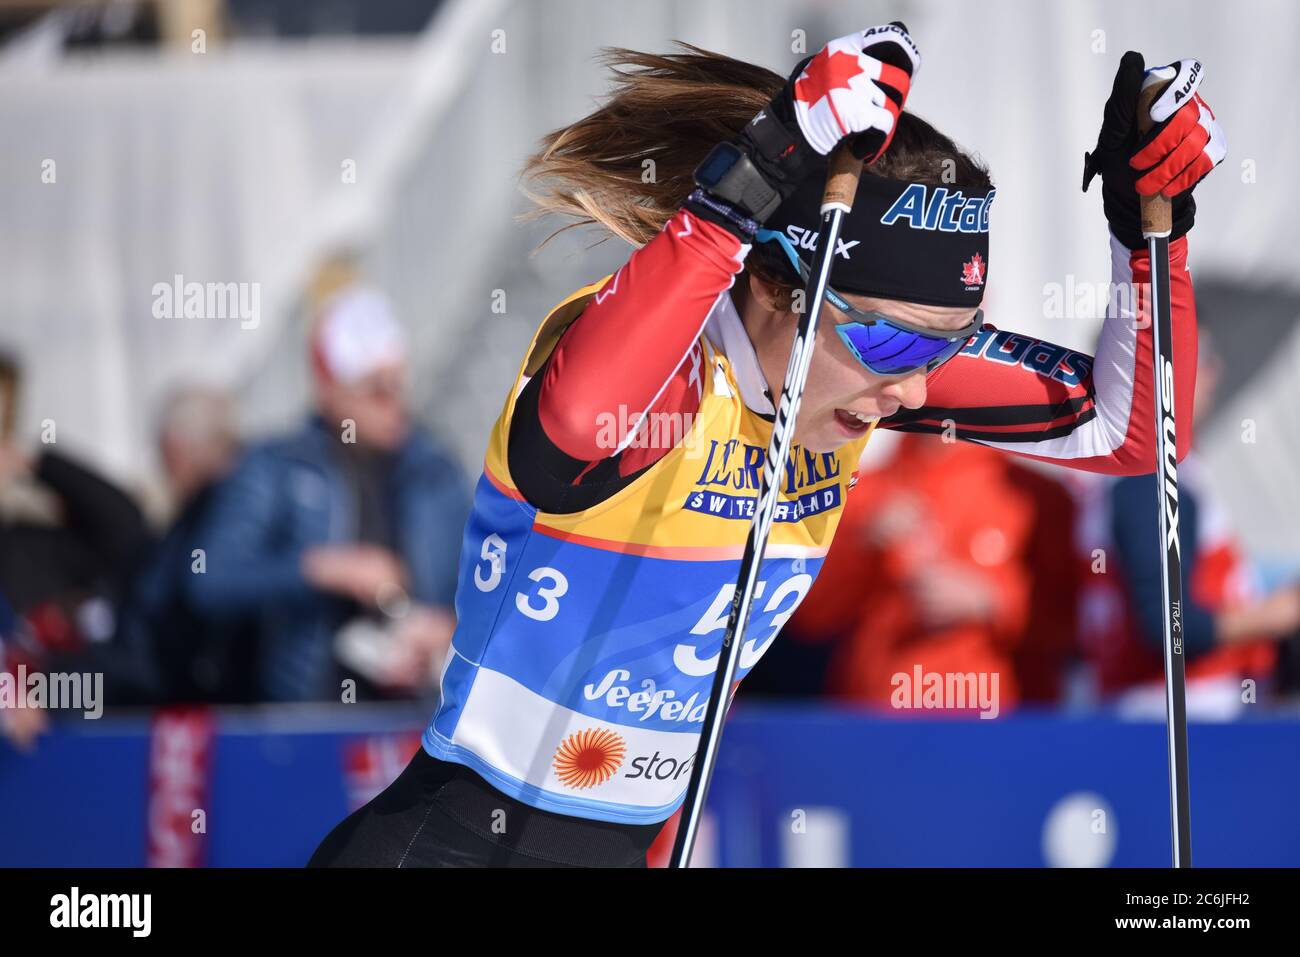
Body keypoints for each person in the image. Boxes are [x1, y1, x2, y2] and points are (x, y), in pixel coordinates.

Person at [309, 26, 1227, 867]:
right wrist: (759, 166)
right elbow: (568, 447)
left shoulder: (851, 384)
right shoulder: (666, 365)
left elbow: (1135, 428)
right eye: (897, 342)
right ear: (791, 288)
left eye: (945, 345)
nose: (914, 388)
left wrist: (1148, 232)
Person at [188, 284, 468, 702]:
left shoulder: (433, 473)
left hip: (414, 720)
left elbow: (486, 589)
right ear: (328, 387)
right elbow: (207, 580)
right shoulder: (275, 468)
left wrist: (446, 631)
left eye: (398, 383)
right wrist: (322, 569)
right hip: (302, 723)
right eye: (375, 388)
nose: (394, 403)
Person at [780, 432, 1079, 711]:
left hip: (999, 725)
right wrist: (862, 545)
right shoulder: (859, 491)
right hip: (873, 719)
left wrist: (993, 600)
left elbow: (1080, 625)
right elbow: (808, 618)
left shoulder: (1035, 496)